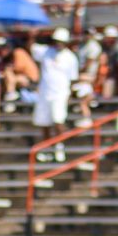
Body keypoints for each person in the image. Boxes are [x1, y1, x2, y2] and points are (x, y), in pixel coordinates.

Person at [32, 27, 78, 163]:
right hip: (45, 93)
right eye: (57, 41)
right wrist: (32, 35)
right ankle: (47, 149)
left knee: (58, 120)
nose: (58, 43)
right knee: (44, 123)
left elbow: (72, 78)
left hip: (60, 93)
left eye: (61, 41)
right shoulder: (46, 52)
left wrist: (69, 95)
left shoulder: (70, 58)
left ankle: (59, 147)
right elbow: (32, 48)